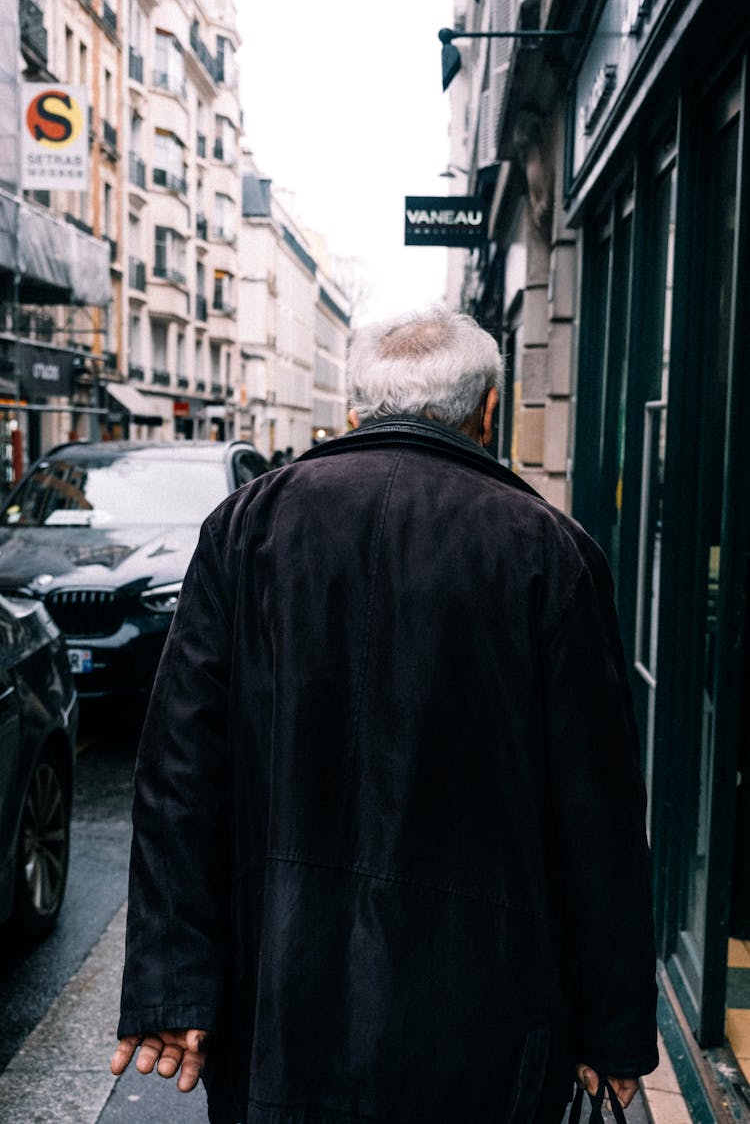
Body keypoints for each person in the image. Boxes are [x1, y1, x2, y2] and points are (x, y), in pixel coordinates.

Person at [112, 310, 658, 1123]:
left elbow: (179, 773)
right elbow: (599, 812)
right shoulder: (552, 549)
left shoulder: (247, 527)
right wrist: (611, 1023)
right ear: (488, 410)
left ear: (360, 406)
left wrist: (173, 982)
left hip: (282, 995)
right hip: (484, 1014)